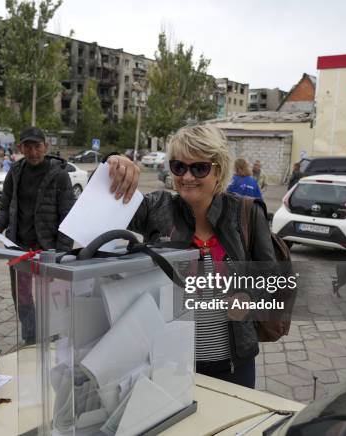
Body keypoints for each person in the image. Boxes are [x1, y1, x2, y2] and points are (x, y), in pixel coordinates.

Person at [102, 124, 277, 388]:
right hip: (170, 364)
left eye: (199, 168)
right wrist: (113, 166)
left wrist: (249, 297)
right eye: (178, 166)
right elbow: (105, 201)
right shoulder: (156, 208)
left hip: (233, 365)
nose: (187, 176)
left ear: (218, 170)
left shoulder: (246, 213)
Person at [0, 127, 75, 345]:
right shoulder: (15, 173)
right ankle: (30, 336)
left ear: (46, 146)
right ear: (20, 148)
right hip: (19, 246)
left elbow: (69, 216)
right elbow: (5, 207)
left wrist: (61, 253)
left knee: (51, 296)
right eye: (28, 147)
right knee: (22, 296)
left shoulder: (60, 175)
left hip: (48, 249)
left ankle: (53, 334)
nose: (33, 152)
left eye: (37, 146)